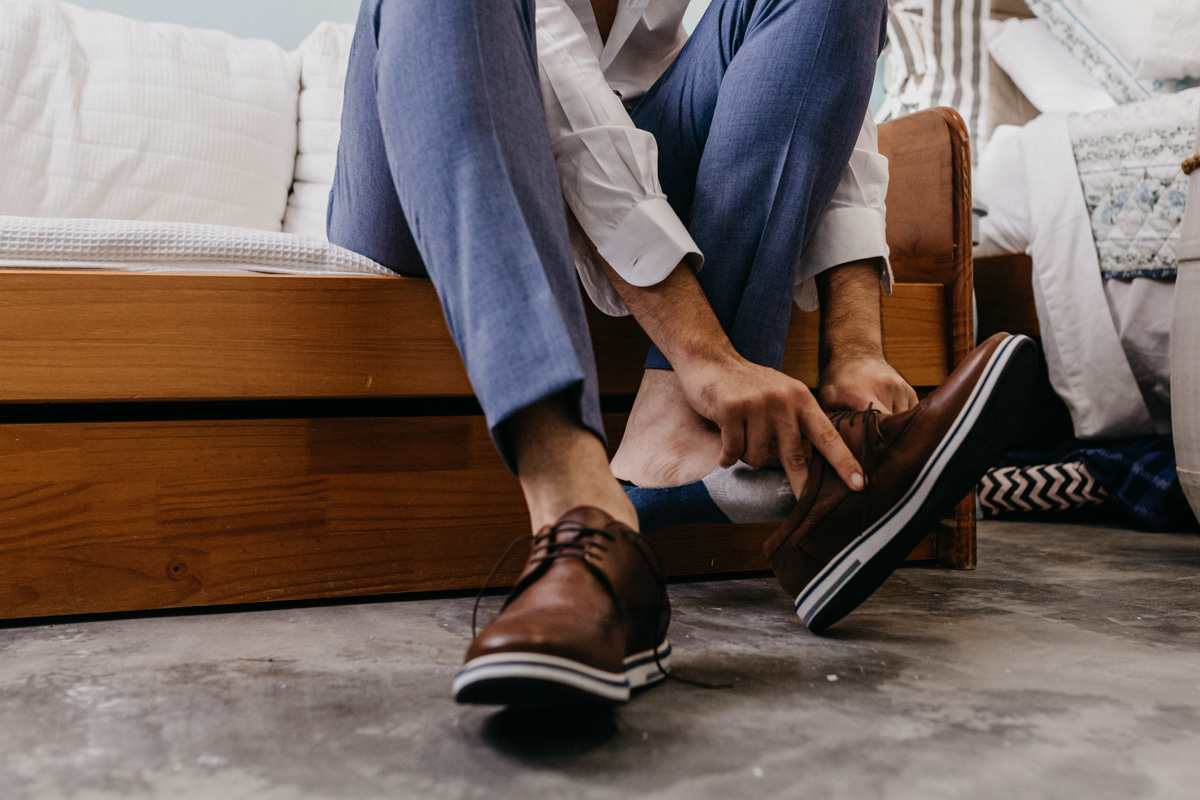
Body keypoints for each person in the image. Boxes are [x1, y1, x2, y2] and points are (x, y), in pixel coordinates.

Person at [328, 0, 1035, 707]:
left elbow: (831, 108)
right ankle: (582, 514)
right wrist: (701, 350)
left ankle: (678, 445)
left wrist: (854, 345)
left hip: (640, 147)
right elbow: (560, 94)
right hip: (427, 146)